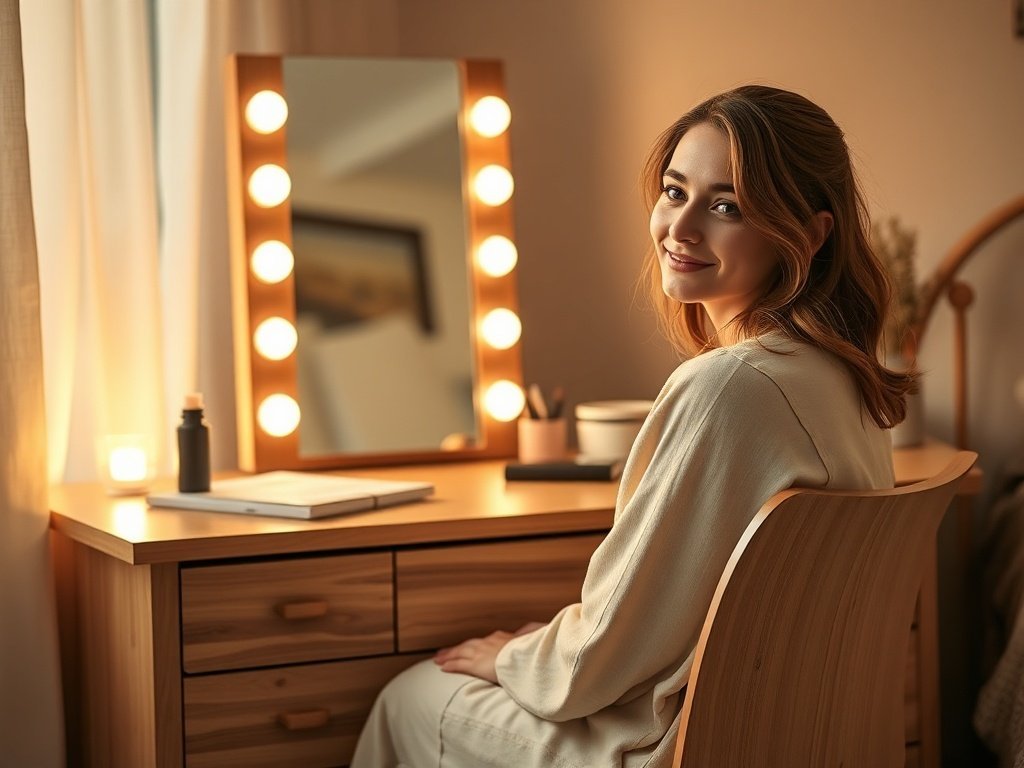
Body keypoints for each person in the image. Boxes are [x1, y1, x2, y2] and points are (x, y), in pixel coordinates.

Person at [349, 84, 916, 768]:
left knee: (412, 694)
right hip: (799, 736)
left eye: (727, 206)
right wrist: (551, 647)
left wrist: (516, 657)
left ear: (809, 232)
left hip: (678, 745)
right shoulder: (846, 382)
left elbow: (602, 654)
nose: (681, 229)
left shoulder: (731, 389)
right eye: (675, 192)